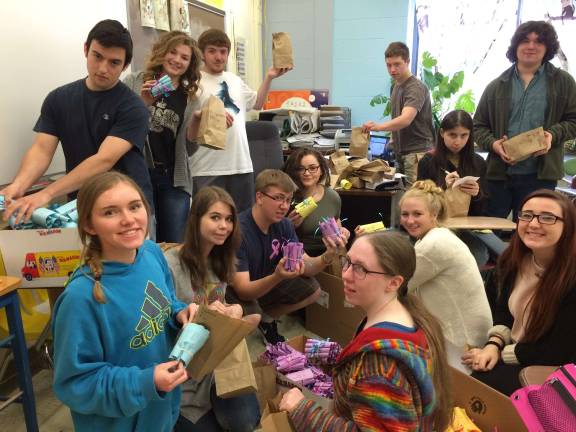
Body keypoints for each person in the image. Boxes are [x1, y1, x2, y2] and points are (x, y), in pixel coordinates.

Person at [51, 171, 197, 431]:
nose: (128, 220)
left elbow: (167, 300)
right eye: (110, 212)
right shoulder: (80, 298)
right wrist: (144, 382)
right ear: (89, 225)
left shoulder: (151, 253)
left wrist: (178, 313)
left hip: (161, 412)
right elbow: (75, 383)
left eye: (134, 206)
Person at [279, 231, 451, 431]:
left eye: (360, 269)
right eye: (348, 261)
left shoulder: (379, 368)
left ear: (394, 283)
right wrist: (334, 354)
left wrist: (302, 409)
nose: (345, 274)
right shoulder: (405, 315)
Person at [1, 20, 152, 226]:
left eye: (114, 62)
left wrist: (46, 194)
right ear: (86, 49)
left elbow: (103, 160)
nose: (102, 68)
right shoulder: (58, 98)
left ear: (125, 66)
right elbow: (41, 150)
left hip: (127, 210)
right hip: (78, 209)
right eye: (97, 56)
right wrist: (18, 186)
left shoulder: (133, 107)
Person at [163, 186, 261, 431]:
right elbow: (162, 319)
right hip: (181, 366)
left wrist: (234, 310)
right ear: (196, 220)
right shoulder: (170, 263)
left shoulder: (220, 262)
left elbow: (215, 302)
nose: (224, 226)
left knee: (246, 422)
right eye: (215, 217)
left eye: (229, 219)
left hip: (216, 361)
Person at [462, 189, 576, 396]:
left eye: (548, 217)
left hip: (554, 368)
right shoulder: (513, 261)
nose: (533, 224)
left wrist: (502, 355)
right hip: (519, 352)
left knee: (476, 386)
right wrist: (492, 345)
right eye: (526, 215)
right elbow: (503, 312)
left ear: (568, 226)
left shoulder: (571, 278)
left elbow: (560, 350)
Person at [474, 20, 576, 221]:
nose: (531, 46)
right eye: (525, 41)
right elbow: (478, 126)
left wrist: (552, 136)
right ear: (516, 46)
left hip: (540, 175)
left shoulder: (563, 82)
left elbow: (574, 120)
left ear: (547, 47)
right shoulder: (496, 86)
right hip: (499, 175)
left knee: (533, 231)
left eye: (538, 41)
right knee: (491, 229)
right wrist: (494, 144)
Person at [229, 169, 345, 344]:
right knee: (252, 315)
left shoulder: (284, 225)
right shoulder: (239, 231)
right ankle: (257, 318)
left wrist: (328, 255)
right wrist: (277, 276)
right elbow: (243, 291)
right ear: (259, 197)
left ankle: (267, 320)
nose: (284, 206)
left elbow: (307, 266)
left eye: (288, 200)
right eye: (278, 198)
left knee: (313, 290)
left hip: (266, 280)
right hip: (236, 289)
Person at [186, 29, 292, 212]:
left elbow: (257, 103)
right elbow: (186, 129)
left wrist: (270, 77)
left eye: (223, 51)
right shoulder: (192, 83)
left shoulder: (234, 80)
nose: (218, 57)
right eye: (212, 51)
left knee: (241, 223)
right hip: (206, 168)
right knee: (209, 222)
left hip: (240, 165)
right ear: (202, 53)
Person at [124, 31, 202, 243]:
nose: (177, 60)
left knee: (173, 244)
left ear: (190, 64)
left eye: (185, 57)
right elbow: (120, 126)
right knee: (141, 241)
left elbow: (189, 149)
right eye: (173, 52)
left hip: (172, 179)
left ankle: (169, 278)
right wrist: (143, 102)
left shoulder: (190, 98)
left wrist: (196, 122)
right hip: (137, 174)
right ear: (162, 52)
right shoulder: (134, 81)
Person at [399, 180, 492, 348]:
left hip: (464, 346)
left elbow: (397, 288)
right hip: (471, 337)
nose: (410, 220)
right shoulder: (438, 236)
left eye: (417, 214)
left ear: (434, 214)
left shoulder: (434, 243)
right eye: (405, 214)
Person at [418, 109, 507, 266]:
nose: (457, 141)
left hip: (468, 228)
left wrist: (477, 194)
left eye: (464, 135)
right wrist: (442, 187)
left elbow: (482, 212)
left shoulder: (478, 162)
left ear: (470, 135)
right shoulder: (428, 161)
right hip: (437, 226)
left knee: (492, 255)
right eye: (452, 135)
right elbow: (419, 202)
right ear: (441, 133)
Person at [362, 41, 435, 184]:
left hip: (417, 153)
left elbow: (406, 119)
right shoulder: (396, 86)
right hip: (401, 152)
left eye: (397, 64)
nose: (392, 69)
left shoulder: (415, 87)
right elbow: (398, 119)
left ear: (407, 61)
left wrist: (378, 127)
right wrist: (392, 141)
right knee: (401, 196)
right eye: (388, 65)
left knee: (415, 198)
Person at [283, 148, 350, 256]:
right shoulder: (287, 198)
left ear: (322, 170)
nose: (307, 173)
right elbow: (274, 236)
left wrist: (341, 231)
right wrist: (288, 225)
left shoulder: (332, 196)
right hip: (299, 259)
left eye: (313, 168)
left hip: (329, 255)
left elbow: (336, 220)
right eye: (301, 169)